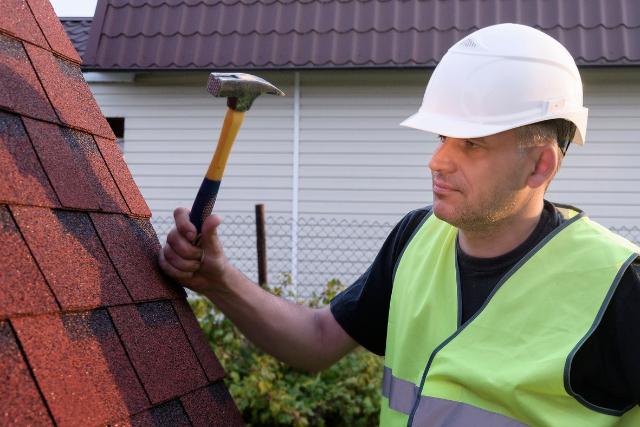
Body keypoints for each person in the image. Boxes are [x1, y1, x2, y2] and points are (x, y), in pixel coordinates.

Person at [159, 24, 640, 426]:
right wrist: (218, 281)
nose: (437, 161)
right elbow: (319, 341)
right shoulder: (416, 239)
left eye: (471, 145)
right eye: (442, 137)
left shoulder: (620, 285)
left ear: (540, 166)